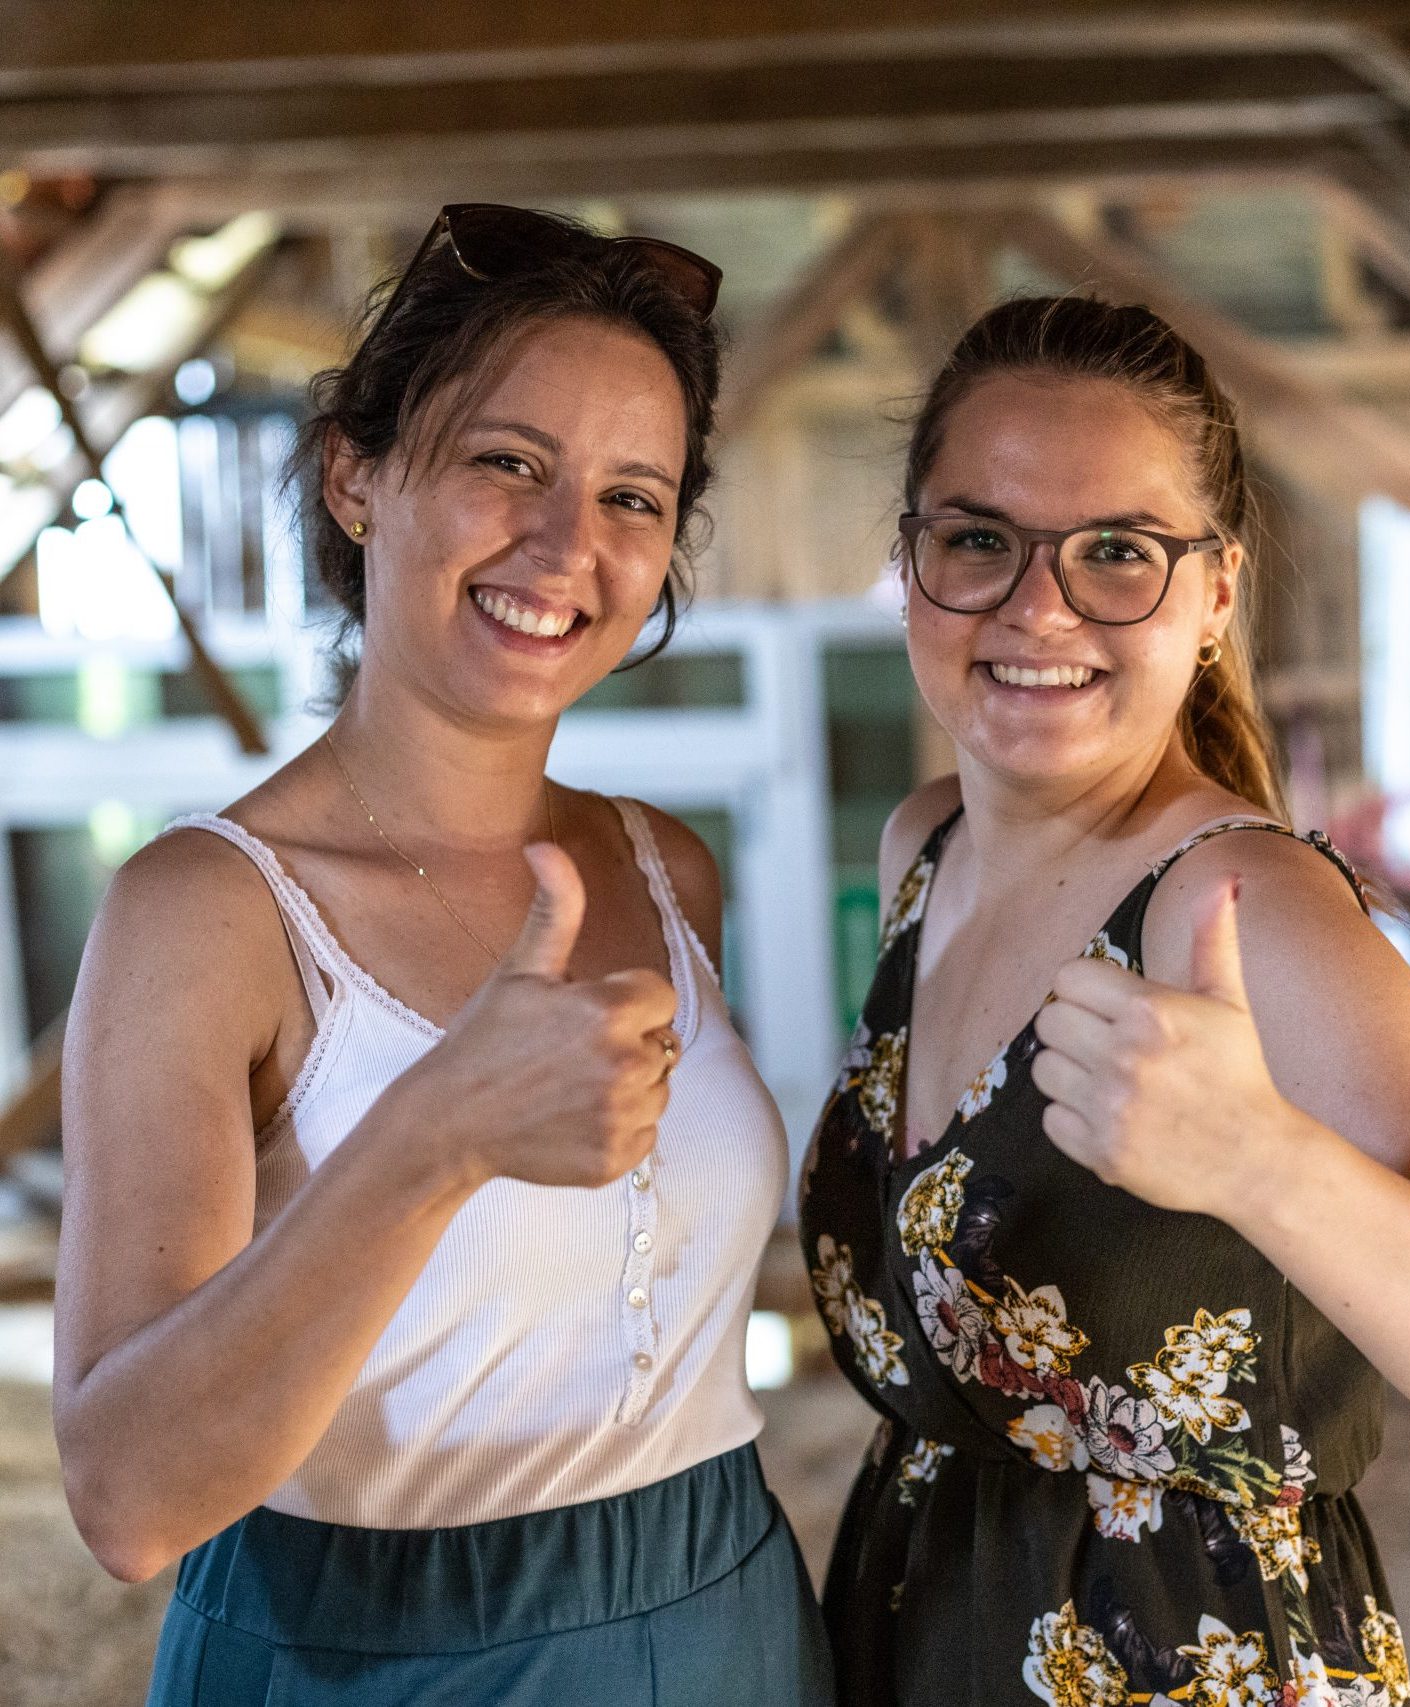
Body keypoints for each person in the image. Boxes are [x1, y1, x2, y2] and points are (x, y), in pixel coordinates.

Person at [54, 205, 831, 1706]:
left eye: (632, 495)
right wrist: (436, 1135)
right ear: (355, 475)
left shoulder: (665, 870)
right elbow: (126, 1502)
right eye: (507, 462)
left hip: (723, 1617)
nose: (566, 544)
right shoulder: (205, 913)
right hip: (370, 1656)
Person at [798, 297, 1410, 1706]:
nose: (1037, 607)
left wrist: (1260, 1161)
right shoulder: (924, 848)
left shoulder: (1243, 909)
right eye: (979, 539)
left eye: (1117, 551)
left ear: (1216, 592)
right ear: (910, 563)